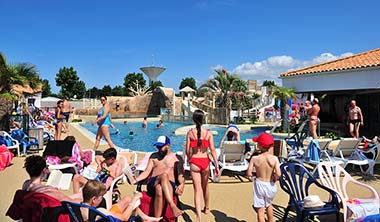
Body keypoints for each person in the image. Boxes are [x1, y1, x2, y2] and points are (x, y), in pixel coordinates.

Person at [133, 136, 185, 218]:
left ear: (168, 146)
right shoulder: (154, 156)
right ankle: (172, 206)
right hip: (153, 183)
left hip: (169, 185)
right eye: (157, 147)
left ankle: (157, 219)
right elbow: (147, 172)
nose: (158, 149)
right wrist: (136, 179)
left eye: (161, 147)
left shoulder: (176, 158)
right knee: (164, 175)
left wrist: (182, 184)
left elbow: (180, 175)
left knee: (159, 189)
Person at [186, 110, 220, 222]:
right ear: (203, 119)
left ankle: (198, 216)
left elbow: (187, 151)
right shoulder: (208, 133)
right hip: (205, 162)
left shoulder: (190, 133)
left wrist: (190, 158)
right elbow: (213, 150)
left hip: (195, 162)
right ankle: (207, 208)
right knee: (205, 187)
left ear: (194, 120)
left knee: (197, 190)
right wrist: (216, 165)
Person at [81, 180, 162, 222]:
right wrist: (134, 199)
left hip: (104, 216)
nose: (103, 199)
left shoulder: (78, 207)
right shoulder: (99, 211)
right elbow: (124, 218)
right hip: (106, 217)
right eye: (101, 197)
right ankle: (144, 219)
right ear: (94, 199)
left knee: (126, 199)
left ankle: (145, 218)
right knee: (133, 215)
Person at [247, 132, 281, 222]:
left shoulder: (255, 159)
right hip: (270, 184)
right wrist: (275, 178)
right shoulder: (274, 158)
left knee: (260, 209)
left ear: (259, 145)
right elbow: (278, 173)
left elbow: (249, 173)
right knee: (269, 205)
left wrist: (252, 178)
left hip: (260, 184)